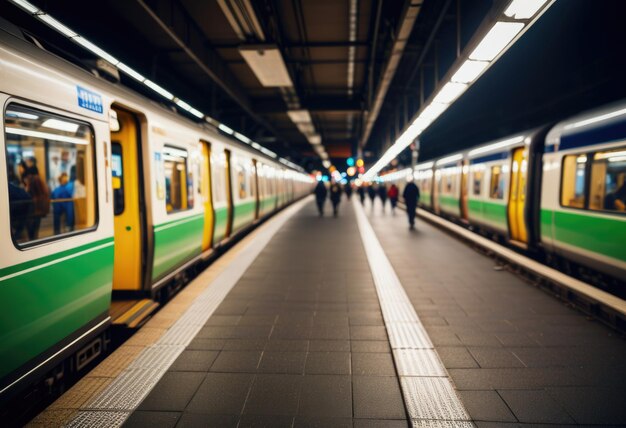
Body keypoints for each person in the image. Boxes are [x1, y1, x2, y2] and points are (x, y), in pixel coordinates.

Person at [24, 165, 50, 240]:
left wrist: (27, 189)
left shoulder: (34, 179)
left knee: (32, 231)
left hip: (35, 209)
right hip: (38, 209)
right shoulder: (39, 179)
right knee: (35, 230)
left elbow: (37, 194)